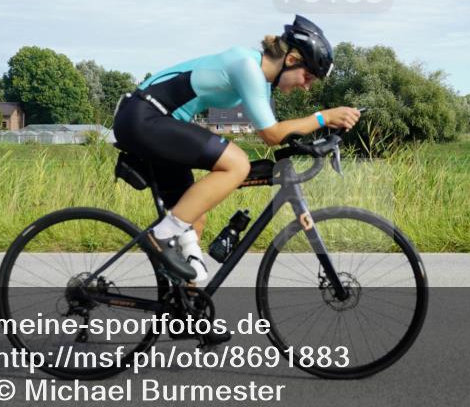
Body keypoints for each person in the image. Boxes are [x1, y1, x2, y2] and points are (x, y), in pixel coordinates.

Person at [112, 15, 360, 285]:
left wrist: (318, 141)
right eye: (308, 76)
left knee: (193, 218)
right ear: (290, 60)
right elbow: (272, 135)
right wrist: (323, 117)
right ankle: (160, 237)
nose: (307, 85)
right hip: (144, 116)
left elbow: (277, 130)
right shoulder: (247, 67)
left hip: (156, 121)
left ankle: (189, 318)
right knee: (237, 164)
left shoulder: (261, 80)